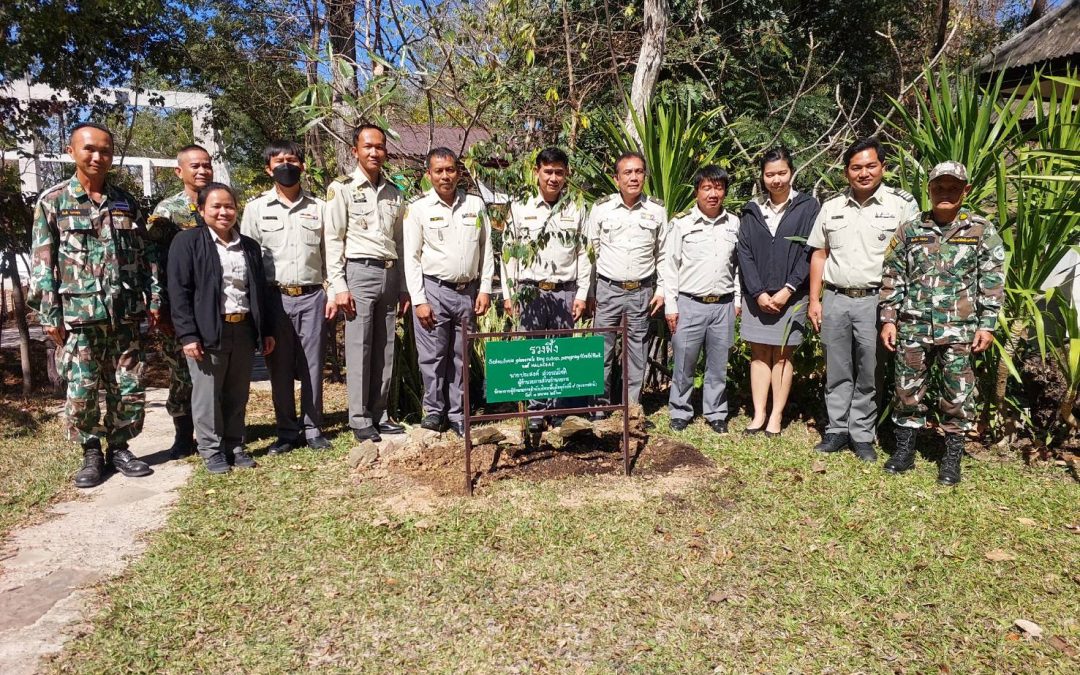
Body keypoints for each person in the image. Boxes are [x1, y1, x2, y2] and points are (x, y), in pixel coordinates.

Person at [28, 122, 157, 488]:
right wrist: (49, 314)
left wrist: (154, 298)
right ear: (72, 152)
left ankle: (120, 447)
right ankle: (90, 452)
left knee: (128, 385)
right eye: (89, 149)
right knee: (81, 390)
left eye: (105, 150)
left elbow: (145, 253)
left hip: (125, 312)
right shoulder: (53, 201)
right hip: (79, 316)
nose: (97, 156)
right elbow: (42, 262)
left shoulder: (125, 201)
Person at [879, 161, 1004, 485]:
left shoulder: (981, 230)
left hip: (959, 329)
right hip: (914, 325)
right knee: (907, 390)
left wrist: (987, 325)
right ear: (929, 189)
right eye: (939, 187)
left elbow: (991, 281)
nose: (945, 193)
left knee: (958, 394)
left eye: (952, 187)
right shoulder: (910, 230)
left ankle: (951, 459)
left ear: (966, 190)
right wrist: (889, 320)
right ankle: (905, 452)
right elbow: (893, 276)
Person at [806, 138, 919, 461]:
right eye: (856, 167)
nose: (864, 173)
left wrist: (895, 309)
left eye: (871, 166)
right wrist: (815, 300)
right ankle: (837, 430)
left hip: (876, 300)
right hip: (837, 297)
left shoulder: (900, 205)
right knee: (837, 368)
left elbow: (912, 257)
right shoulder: (831, 207)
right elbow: (819, 254)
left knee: (870, 370)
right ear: (846, 172)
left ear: (883, 167)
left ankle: (862, 434)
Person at [169, 183, 275, 474]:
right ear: (201, 210)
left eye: (229, 206)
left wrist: (264, 330)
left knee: (237, 392)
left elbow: (258, 293)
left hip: (242, 329)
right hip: (207, 331)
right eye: (215, 206)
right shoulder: (187, 242)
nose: (223, 212)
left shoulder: (249, 246)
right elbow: (178, 293)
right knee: (207, 394)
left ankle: (234, 444)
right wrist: (188, 335)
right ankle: (212, 450)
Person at [241, 140, 333, 453]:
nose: (286, 166)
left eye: (292, 160)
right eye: (279, 161)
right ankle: (286, 432)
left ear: (302, 166)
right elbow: (249, 260)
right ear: (269, 169)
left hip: (311, 296)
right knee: (278, 367)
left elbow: (330, 254)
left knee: (312, 365)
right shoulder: (255, 209)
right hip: (273, 298)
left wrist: (332, 292)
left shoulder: (319, 208)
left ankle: (313, 428)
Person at [324, 125, 408, 443]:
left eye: (380, 147)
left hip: (389, 273)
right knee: (359, 346)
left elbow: (399, 241)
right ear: (355, 150)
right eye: (368, 146)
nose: (374, 152)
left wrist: (403, 287)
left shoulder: (394, 192)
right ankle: (359, 418)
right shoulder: (342, 188)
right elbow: (332, 239)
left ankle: (380, 413)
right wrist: (338, 286)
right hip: (358, 272)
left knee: (385, 346)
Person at [403, 147, 494, 437]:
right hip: (434, 292)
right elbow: (412, 257)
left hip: (467, 293)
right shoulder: (418, 209)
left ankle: (458, 414)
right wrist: (419, 300)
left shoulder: (475, 205)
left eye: (451, 169)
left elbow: (487, 248)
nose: (446, 175)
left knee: (460, 356)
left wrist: (485, 289)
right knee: (432, 357)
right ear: (428, 174)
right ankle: (434, 412)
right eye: (439, 170)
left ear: (459, 172)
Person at [501, 147, 592, 431]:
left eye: (559, 173)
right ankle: (536, 413)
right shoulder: (519, 207)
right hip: (530, 291)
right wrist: (508, 294)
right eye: (548, 172)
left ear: (567, 175)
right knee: (533, 353)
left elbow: (584, 254)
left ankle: (560, 413)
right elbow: (508, 254)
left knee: (562, 350)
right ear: (537, 172)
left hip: (565, 290)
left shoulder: (576, 207)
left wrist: (581, 294)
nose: (553, 178)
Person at [737, 147, 819, 437]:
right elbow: (744, 252)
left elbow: (811, 251)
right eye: (770, 174)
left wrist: (788, 289)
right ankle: (758, 414)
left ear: (791, 172)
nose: (776, 180)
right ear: (762, 177)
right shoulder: (752, 209)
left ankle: (776, 416)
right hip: (756, 296)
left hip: (791, 296)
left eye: (782, 173)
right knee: (758, 354)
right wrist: (758, 292)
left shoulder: (808, 207)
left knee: (783, 355)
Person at [662, 165, 741, 434]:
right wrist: (671, 306)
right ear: (697, 192)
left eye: (718, 188)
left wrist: (738, 300)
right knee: (684, 361)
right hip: (689, 304)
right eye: (707, 187)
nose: (713, 193)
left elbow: (739, 267)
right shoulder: (682, 224)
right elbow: (669, 266)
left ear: (725, 192)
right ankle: (680, 410)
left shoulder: (734, 224)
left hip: (723, 304)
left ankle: (716, 412)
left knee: (718, 363)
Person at [146, 144, 213, 459]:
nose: (202, 171)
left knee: (214, 370)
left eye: (206, 165)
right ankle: (184, 436)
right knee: (182, 373)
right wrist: (159, 305)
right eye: (195, 166)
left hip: (213, 305)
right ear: (180, 171)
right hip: (179, 307)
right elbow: (154, 261)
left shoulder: (218, 204)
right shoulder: (167, 211)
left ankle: (216, 430)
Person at [587, 151, 667, 411]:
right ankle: (599, 408)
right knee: (600, 352)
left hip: (641, 292)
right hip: (608, 289)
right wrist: (589, 293)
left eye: (639, 172)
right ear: (616, 179)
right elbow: (591, 252)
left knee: (637, 353)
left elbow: (663, 253)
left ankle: (632, 408)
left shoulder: (657, 210)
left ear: (645, 175)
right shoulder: (601, 209)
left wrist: (662, 289)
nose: (634, 177)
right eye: (627, 173)